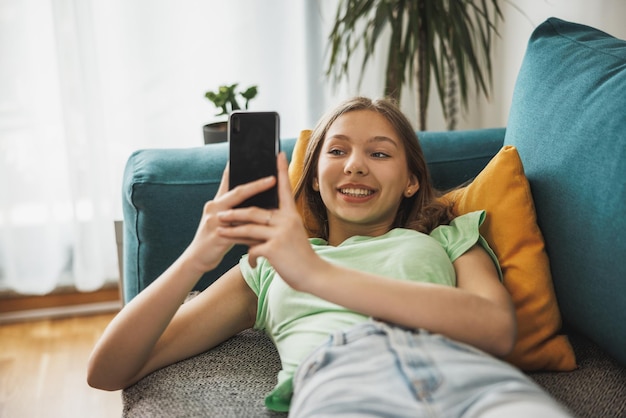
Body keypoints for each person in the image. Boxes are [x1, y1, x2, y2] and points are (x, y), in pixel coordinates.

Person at [88, 97, 571, 417]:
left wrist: (314, 273)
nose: (356, 163)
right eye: (337, 151)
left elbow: (496, 329)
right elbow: (108, 371)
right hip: (343, 385)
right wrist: (198, 255)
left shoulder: (449, 237)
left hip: (470, 378)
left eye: (380, 154)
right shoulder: (270, 265)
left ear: (411, 181)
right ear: (316, 178)